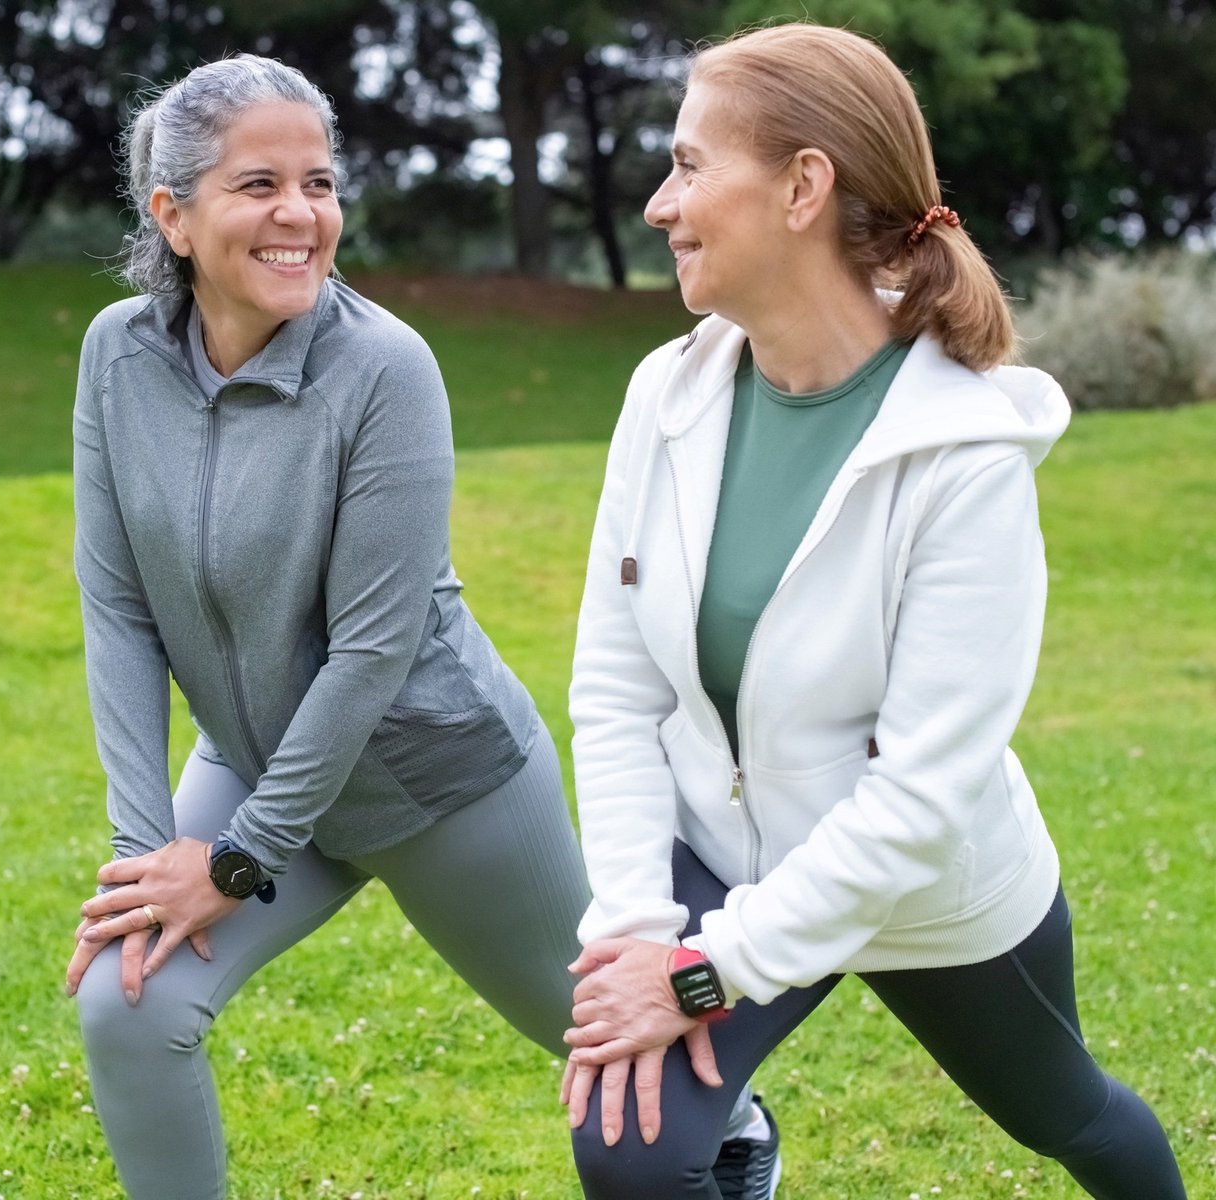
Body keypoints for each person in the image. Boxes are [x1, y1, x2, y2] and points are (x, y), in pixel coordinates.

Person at [61, 54, 762, 1199]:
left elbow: (372, 652)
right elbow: (119, 609)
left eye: (320, 183)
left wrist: (234, 861)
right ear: (171, 215)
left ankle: (739, 1127)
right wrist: (151, 858)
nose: (300, 214)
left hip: (444, 787)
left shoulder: (386, 369)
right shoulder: (116, 356)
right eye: (258, 185)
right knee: (126, 998)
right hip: (252, 767)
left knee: (612, 1042)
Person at [559, 22, 1188, 1200]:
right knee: (631, 1153)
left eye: (691, 165)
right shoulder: (668, 393)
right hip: (720, 857)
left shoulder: (965, 452)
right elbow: (616, 688)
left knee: (1078, 1120)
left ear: (803, 186)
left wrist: (701, 975)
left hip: (920, 893)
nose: (657, 202)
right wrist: (643, 924)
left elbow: (919, 796)